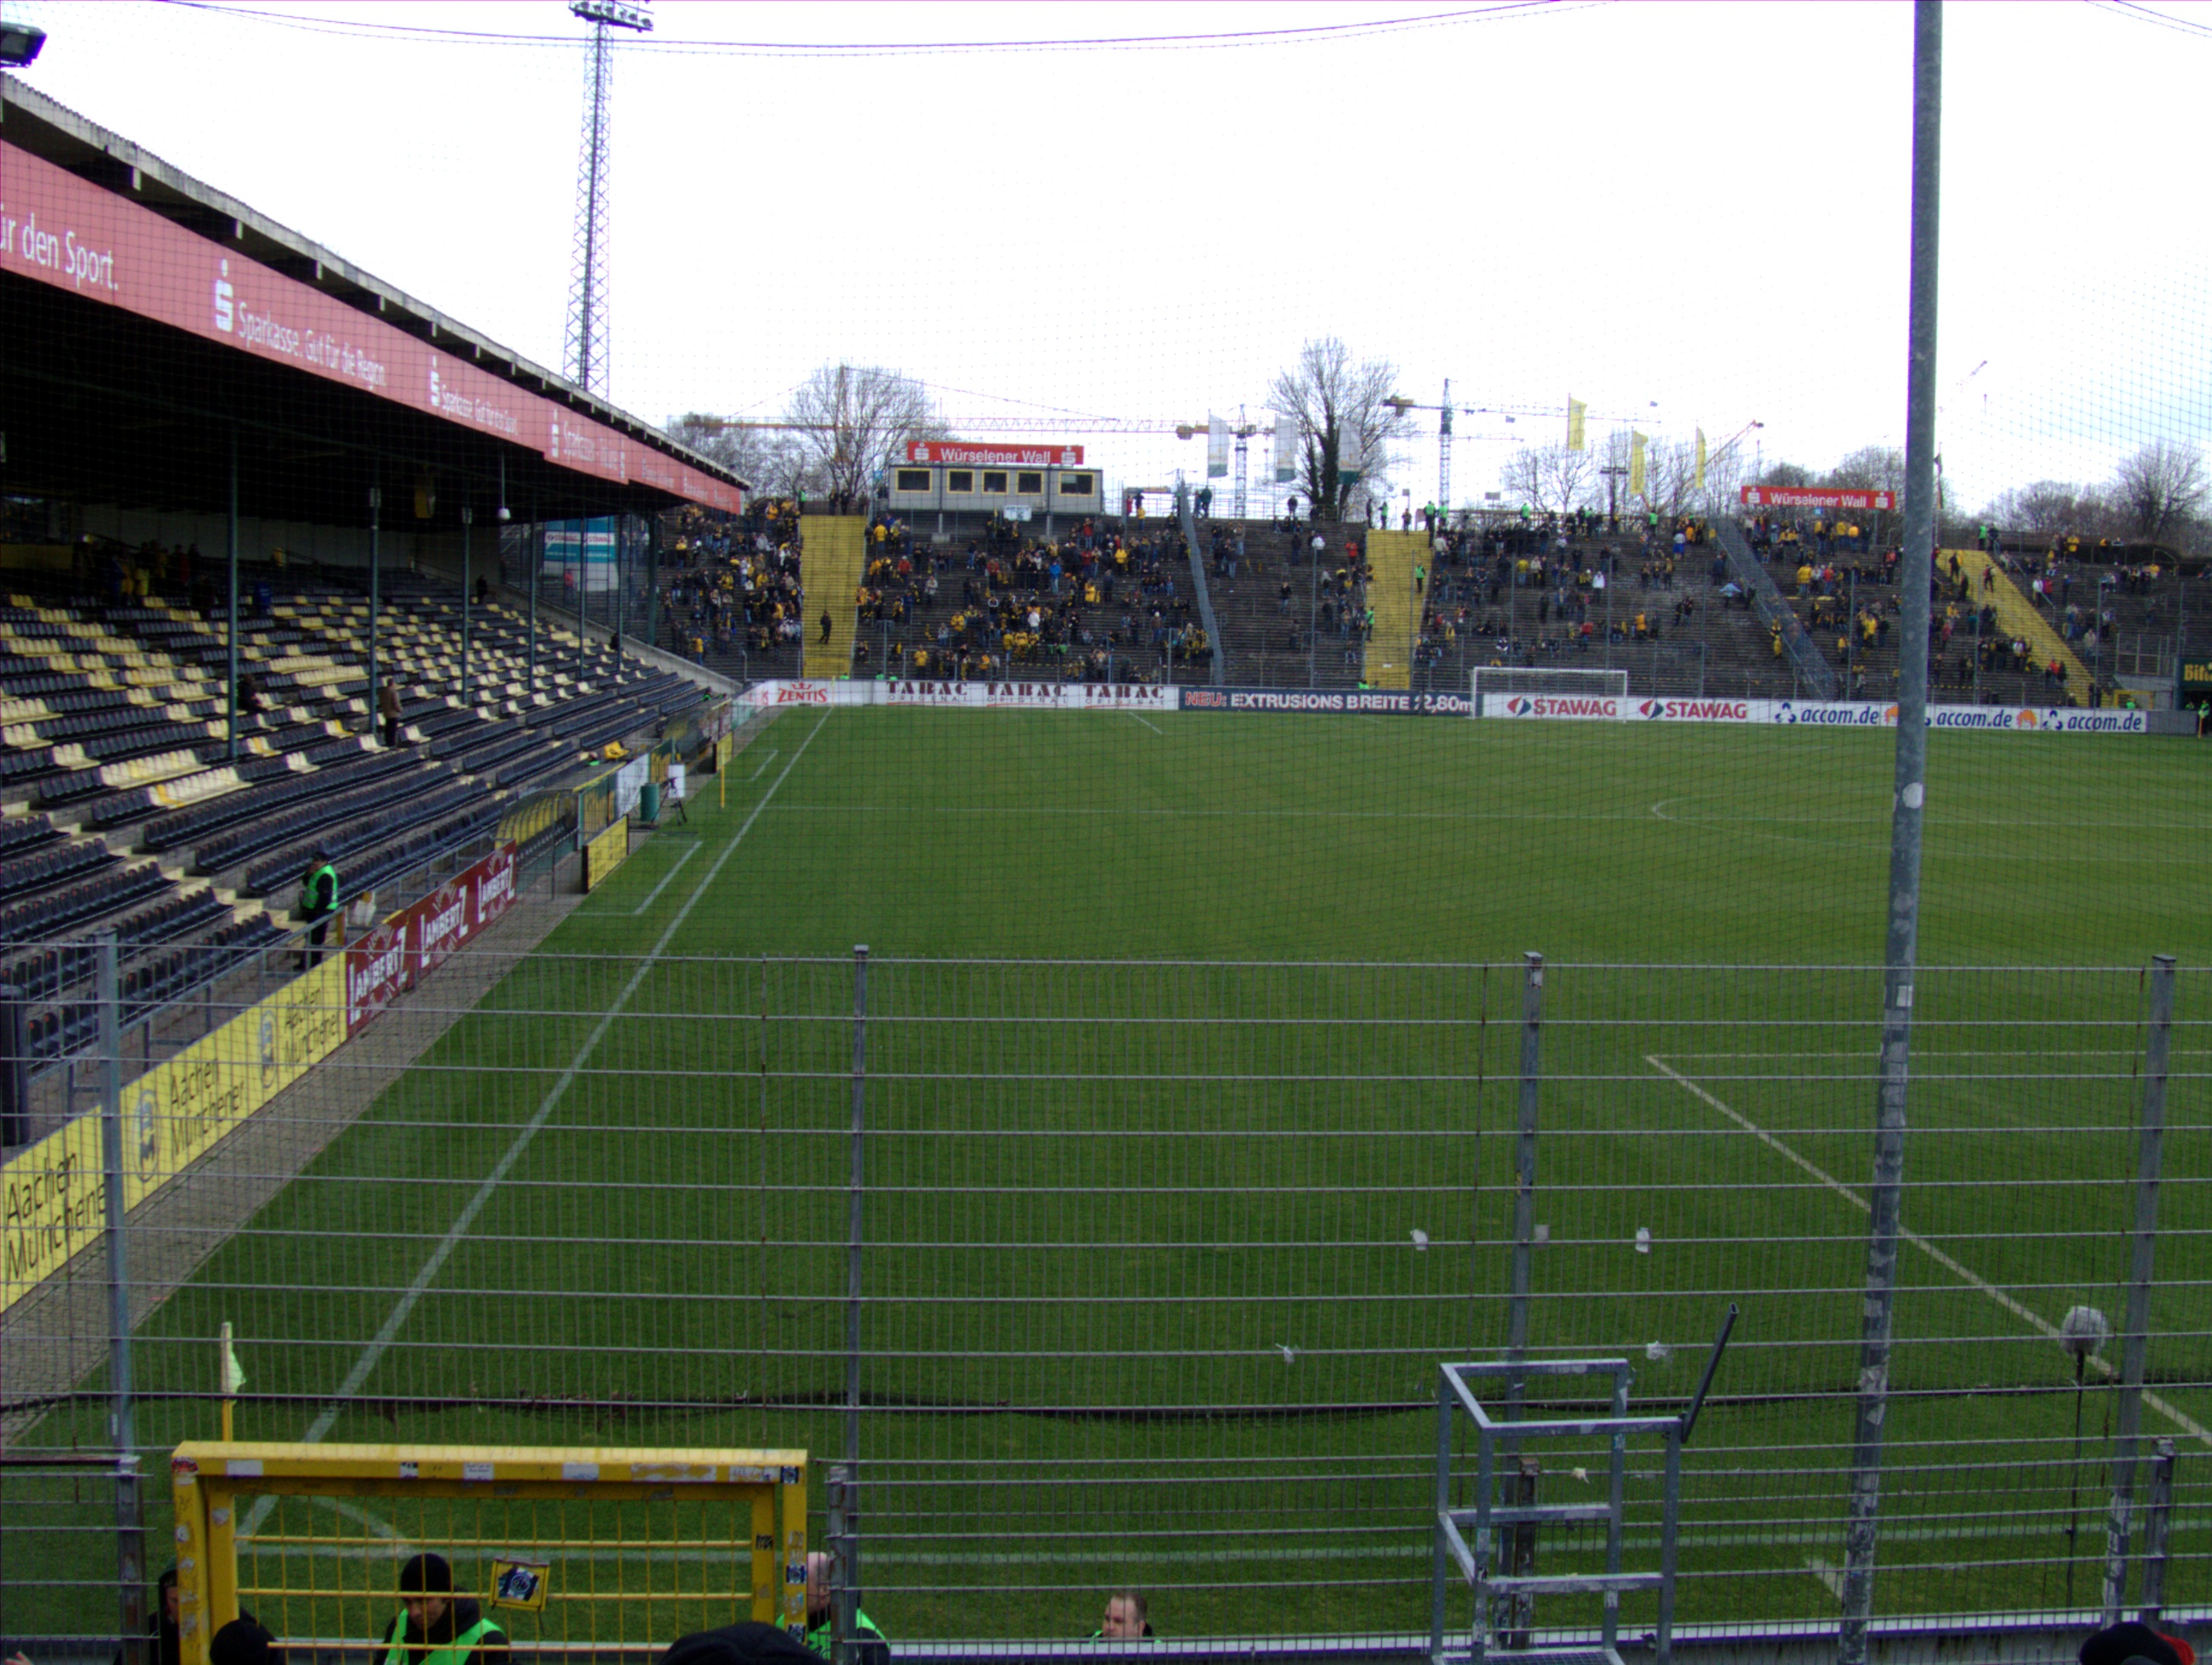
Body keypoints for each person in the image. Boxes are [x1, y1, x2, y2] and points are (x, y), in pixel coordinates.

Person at [380, 1552, 507, 1665]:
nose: (414, 1612)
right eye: (407, 1602)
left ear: (447, 1596)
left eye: (423, 1601)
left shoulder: (488, 1642)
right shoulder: (398, 1625)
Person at [800, 1551, 886, 1665]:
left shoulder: (864, 1636)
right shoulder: (784, 1623)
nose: (792, 1590)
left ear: (825, 1589)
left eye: (801, 1583)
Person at [297, 847, 338, 971]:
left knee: (317, 939)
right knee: (311, 938)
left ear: (324, 862)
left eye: (318, 860)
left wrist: (317, 914)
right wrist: (308, 873)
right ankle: (305, 963)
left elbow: (324, 898)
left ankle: (313, 964)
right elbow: (306, 883)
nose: (315, 862)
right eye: (314, 860)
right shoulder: (317, 871)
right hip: (312, 911)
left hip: (320, 912)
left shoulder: (325, 875)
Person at [1090, 1590, 1154, 1640]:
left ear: (1139, 1627)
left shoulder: (1159, 1652)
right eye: (1107, 1618)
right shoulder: (1087, 1645)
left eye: (1118, 1621)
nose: (1109, 1627)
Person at [378, 678, 404, 748]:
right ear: (393, 684)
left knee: (388, 728)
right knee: (393, 729)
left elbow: (381, 702)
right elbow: (396, 703)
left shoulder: (383, 692)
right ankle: (392, 744)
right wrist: (400, 710)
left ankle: (388, 742)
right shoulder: (394, 692)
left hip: (386, 712)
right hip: (394, 714)